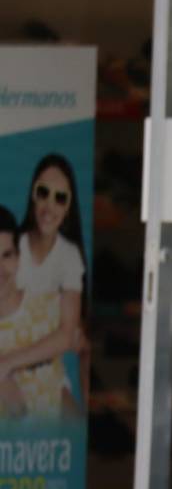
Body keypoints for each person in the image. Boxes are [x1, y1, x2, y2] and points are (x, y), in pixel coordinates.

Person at [8, 154, 87, 400]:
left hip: (46, 375)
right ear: (33, 194)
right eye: (43, 192)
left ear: (69, 207)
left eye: (60, 198)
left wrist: (8, 362)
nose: (49, 206)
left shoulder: (70, 256)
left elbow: (67, 336)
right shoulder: (10, 250)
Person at [0, 207, 74, 418]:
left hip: (56, 445)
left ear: (19, 257)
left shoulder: (50, 307)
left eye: (6, 255)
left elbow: (77, 345)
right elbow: (18, 412)